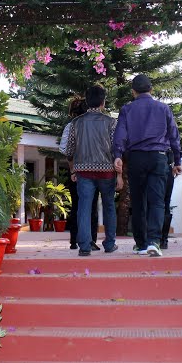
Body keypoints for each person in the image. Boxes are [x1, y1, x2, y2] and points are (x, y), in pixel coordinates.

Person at [113, 74, 182, 257]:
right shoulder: (163, 108)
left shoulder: (127, 109)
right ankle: (154, 241)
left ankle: (141, 244)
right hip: (159, 158)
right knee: (157, 201)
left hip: (135, 158)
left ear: (133, 91)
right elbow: (174, 135)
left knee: (138, 202)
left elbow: (120, 134)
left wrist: (118, 155)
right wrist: (177, 160)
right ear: (151, 89)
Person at [64, 84, 122, 255]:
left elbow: (69, 151)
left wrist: (74, 170)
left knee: (84, 207)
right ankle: (110, 244)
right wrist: (119, 175)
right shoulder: (112, 123)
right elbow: (116, 150)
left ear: (87, 101)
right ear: (103, 102)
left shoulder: (76, 123)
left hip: (84, 172)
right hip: (107, 172)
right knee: (109, 206)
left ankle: (84, 247)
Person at [60, 97, 98, 251]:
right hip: (95, 171)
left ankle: (74, 240)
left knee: (77, 206)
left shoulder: (71, 126)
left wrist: (72, 169)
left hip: (77, 171)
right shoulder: (96, 125)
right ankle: (91, 239)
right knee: (92, 207)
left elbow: (66, 151)